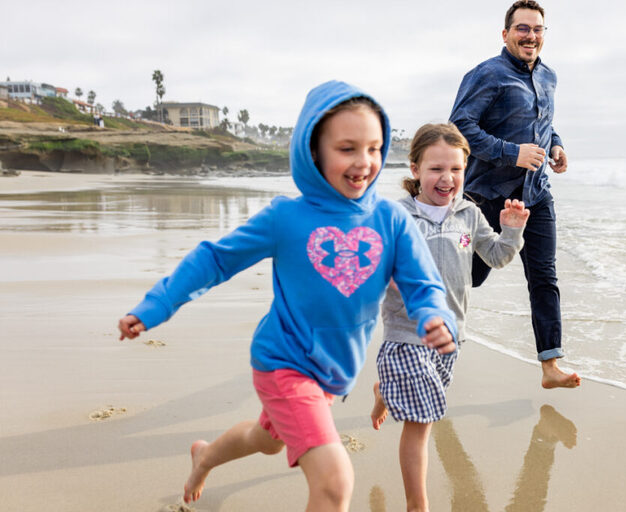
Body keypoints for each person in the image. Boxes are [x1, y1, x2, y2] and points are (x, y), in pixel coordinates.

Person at [117, 81, 458, 511]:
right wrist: (155, 306)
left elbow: (421, 281)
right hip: (283, 363)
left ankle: (205, 456)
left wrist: (432, 314)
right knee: (335, 481)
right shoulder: (286, 217)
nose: (363, 162)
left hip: (332, 373)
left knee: (265, 439)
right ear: (313, 152)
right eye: (347, 148)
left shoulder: (390, 219)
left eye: (374, 148)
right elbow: (214, 260)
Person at [370, 123, 529, 512]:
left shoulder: (469, 214)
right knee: (421, 421)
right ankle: (417, 504)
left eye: (456, 169)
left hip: (451, 336)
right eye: (436, 169)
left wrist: (511, 231)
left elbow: (496, 257)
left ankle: (383, 391)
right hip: (406, 334)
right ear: (415, 169)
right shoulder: (396, 215)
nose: (447, 178)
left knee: (422, 407)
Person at [449, 0, 581, 389]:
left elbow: (544, 123)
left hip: (535, 194)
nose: (531, 35)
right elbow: (459, 126)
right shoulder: (486, 74)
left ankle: (550, 364)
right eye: (522, 28)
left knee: (544, 276)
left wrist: (555, 146)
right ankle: (425, 335)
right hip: (487, 195)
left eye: (538, 29)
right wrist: (513, 152)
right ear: (505, 34)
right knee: (469, 277)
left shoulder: (549, 77)